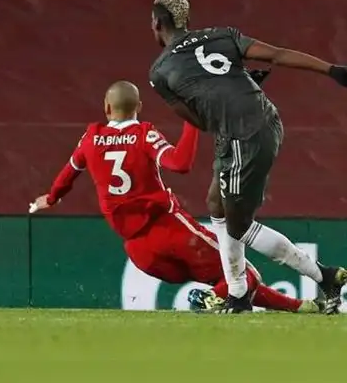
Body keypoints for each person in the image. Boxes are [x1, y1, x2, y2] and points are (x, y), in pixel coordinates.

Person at [31, 81, 319, 313]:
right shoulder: (143, 134)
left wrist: (52, 197)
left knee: (232, 284)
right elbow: (180, 163)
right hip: (169, 229)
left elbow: (71, 170)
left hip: (139, 252)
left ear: (106, 107)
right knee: (243, 276)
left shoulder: (91, 136)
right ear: (139, 107)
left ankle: (301, 307)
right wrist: (191, 123)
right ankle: (206, 301)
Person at [148, 0, 347, 313]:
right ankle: (238, 293)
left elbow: (198, 120)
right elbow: (277, 55)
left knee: (238, 225)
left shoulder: (159, 72)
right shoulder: (221, 35)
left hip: (243, 134)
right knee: (216, 202)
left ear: (156, 24)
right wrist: (333, 70)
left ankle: (324, 276)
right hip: (260, 119)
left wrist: (219, 100)